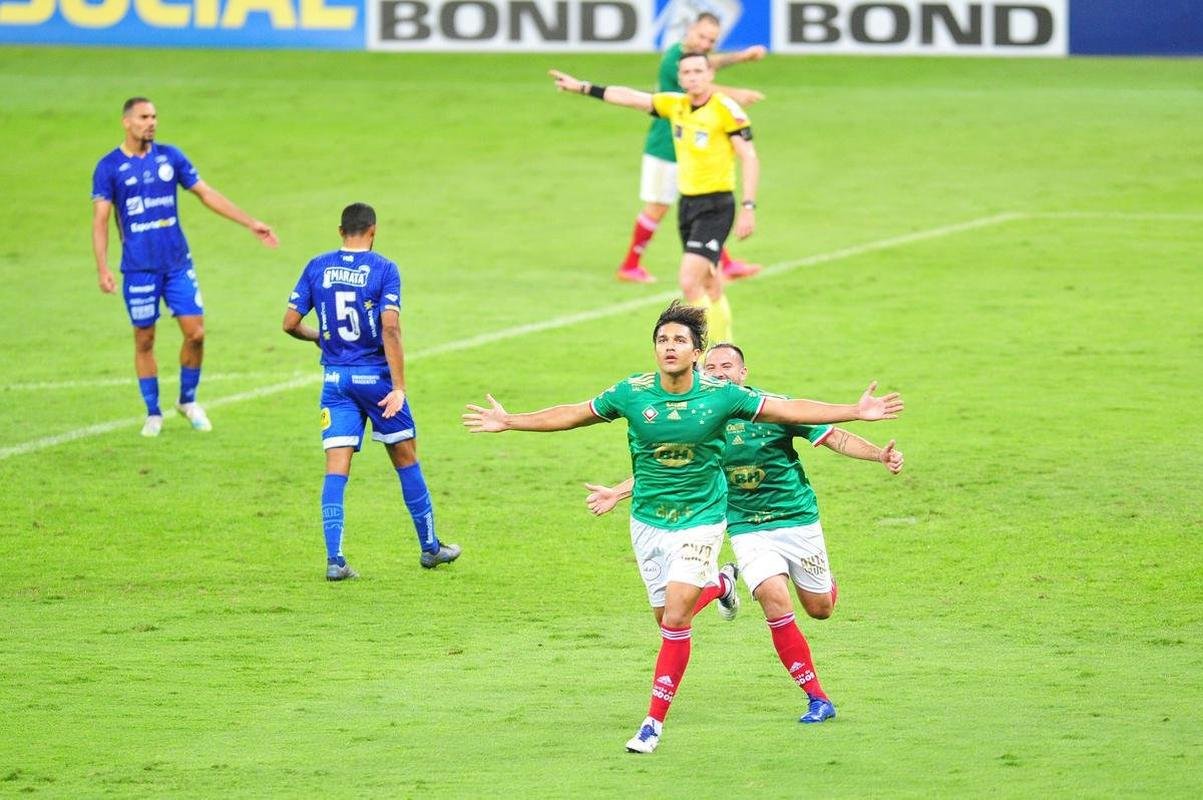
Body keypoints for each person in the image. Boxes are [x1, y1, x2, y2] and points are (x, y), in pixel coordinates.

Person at [463, 301, 902, 753]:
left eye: (680, 341)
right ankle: (727, 592)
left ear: (704, 355)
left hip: (732, 522)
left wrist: (855, 410)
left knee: (774, 611)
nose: (670, 347)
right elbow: (584, 419)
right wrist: (513, 422)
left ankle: (652, 723)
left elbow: (802, 414)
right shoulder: (633, 393)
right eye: (662, 339)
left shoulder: (730, 401)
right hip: (672, 524)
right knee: (671, 618)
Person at [585, 343, 905, 725]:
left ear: (743, 373)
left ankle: (759, 584)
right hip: (744, 526)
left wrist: (878, 455)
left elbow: (833, 437)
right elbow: (672, 466)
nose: (718, 372)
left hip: (796, 518)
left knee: (820, 610)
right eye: (711, 367)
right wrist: (617, 493)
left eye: (727, 366)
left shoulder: (773, 409)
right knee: (773, 598)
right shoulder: (706, 416)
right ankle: (817, 698)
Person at [283, 203, 460, 580]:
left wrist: (321, 337)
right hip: (376, 381)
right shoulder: (383, 268)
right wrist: (399, 387)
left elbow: (289, 323)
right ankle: (430, 548)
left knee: (336, 468)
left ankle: (335, 560)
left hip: (335, 381)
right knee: (405, 457)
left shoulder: (317, 266)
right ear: (373, 230)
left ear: (340, 230)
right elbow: (390, 329)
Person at [91, 97, 279, 437]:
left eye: (154, 116)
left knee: (196, 333)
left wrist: (249, 222)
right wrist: (102, 267)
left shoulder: (170, 157)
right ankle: (153, 413)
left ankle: (187, 401)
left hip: (177, 264)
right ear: (127, 122)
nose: (151, 123)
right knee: (144, 339)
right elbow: (100, 220)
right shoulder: (108, 167)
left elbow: (206, 193)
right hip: (138, 268)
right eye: (144, 117)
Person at [550, 52, 756, 345]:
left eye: (699, 71)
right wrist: (583, 87)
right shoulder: (676, 105)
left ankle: (702, 358)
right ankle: (724, 354)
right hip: (688, 204)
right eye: (687, 72)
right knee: (710, 283)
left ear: (710, 75)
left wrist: (748, 206)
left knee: (689, 281)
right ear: (680, 77)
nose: (693, 77)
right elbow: (632, 97)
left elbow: (748, 155)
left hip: (717, 205)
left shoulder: (726, 110)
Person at [617, 11, 767, 285]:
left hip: (689, 150)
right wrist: (737, 93)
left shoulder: (693, 57)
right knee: (657, 208)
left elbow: (711, 63)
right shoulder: (676, 61)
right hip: (666, 146)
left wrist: (742, 56)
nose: (706, 43)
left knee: (704, 208)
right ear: (689, 31)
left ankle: (727, 263)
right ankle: (630, 264)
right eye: (702, 36)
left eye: (711, 40)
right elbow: (704, 81)